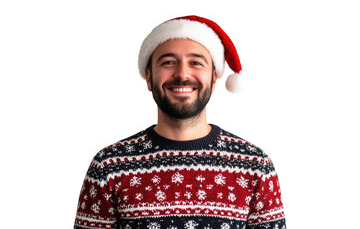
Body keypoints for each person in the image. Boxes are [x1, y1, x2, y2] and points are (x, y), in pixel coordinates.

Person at [74, 15, 286, 229]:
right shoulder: (109, 166)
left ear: (213, 79)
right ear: (149, 77)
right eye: (168, 62)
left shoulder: (255, 166)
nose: (182, 74)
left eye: (196, 62)